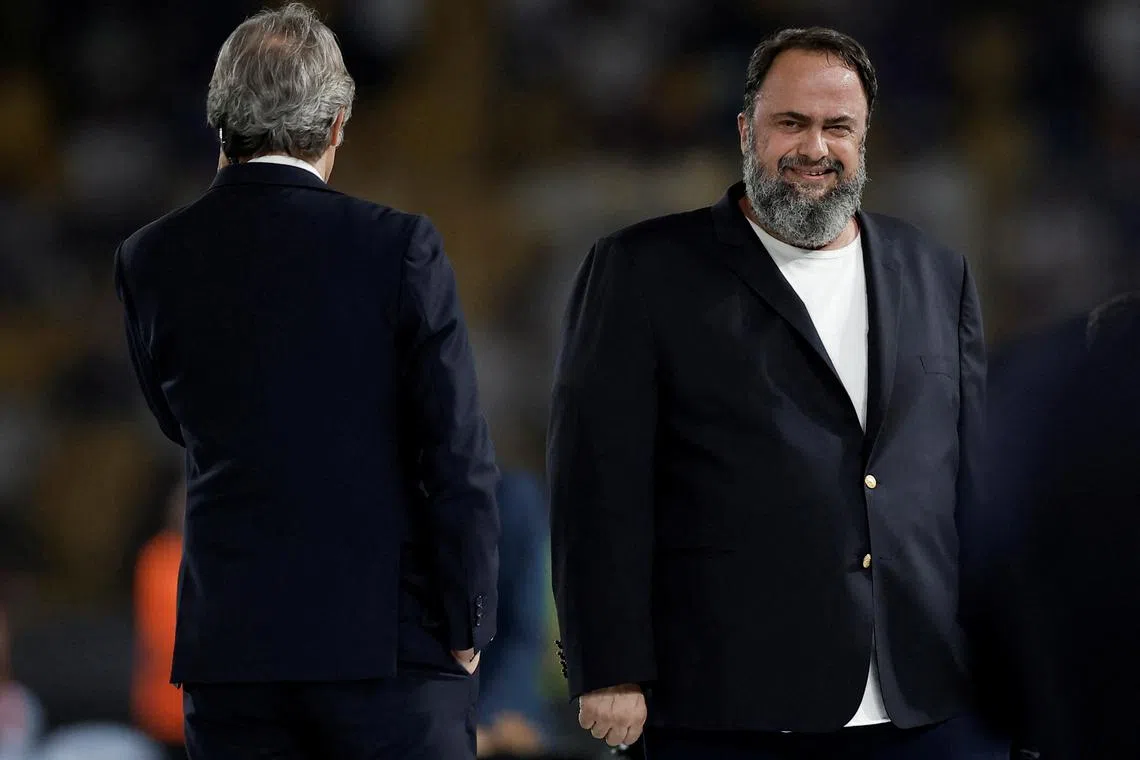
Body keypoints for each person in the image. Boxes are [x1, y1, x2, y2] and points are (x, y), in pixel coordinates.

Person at [548, 27, 1006, 759]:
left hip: (923, 701)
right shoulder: (643, 270)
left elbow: (972, 488)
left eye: (837, 128)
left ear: (865, 138)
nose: (813, 149)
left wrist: (1007, 664)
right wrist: (610, 666)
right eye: (790, 123)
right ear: (745, 130)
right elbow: (596, 486)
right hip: (725, 705)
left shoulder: (936, 272)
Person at [112, 4, 500, 758]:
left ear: (218, 119)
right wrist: (469, 622)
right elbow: (455, 449)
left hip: (234, 657)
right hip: (390, 653)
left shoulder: (148, 259)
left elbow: (174, 417)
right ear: (337, 126)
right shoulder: (398, 247)